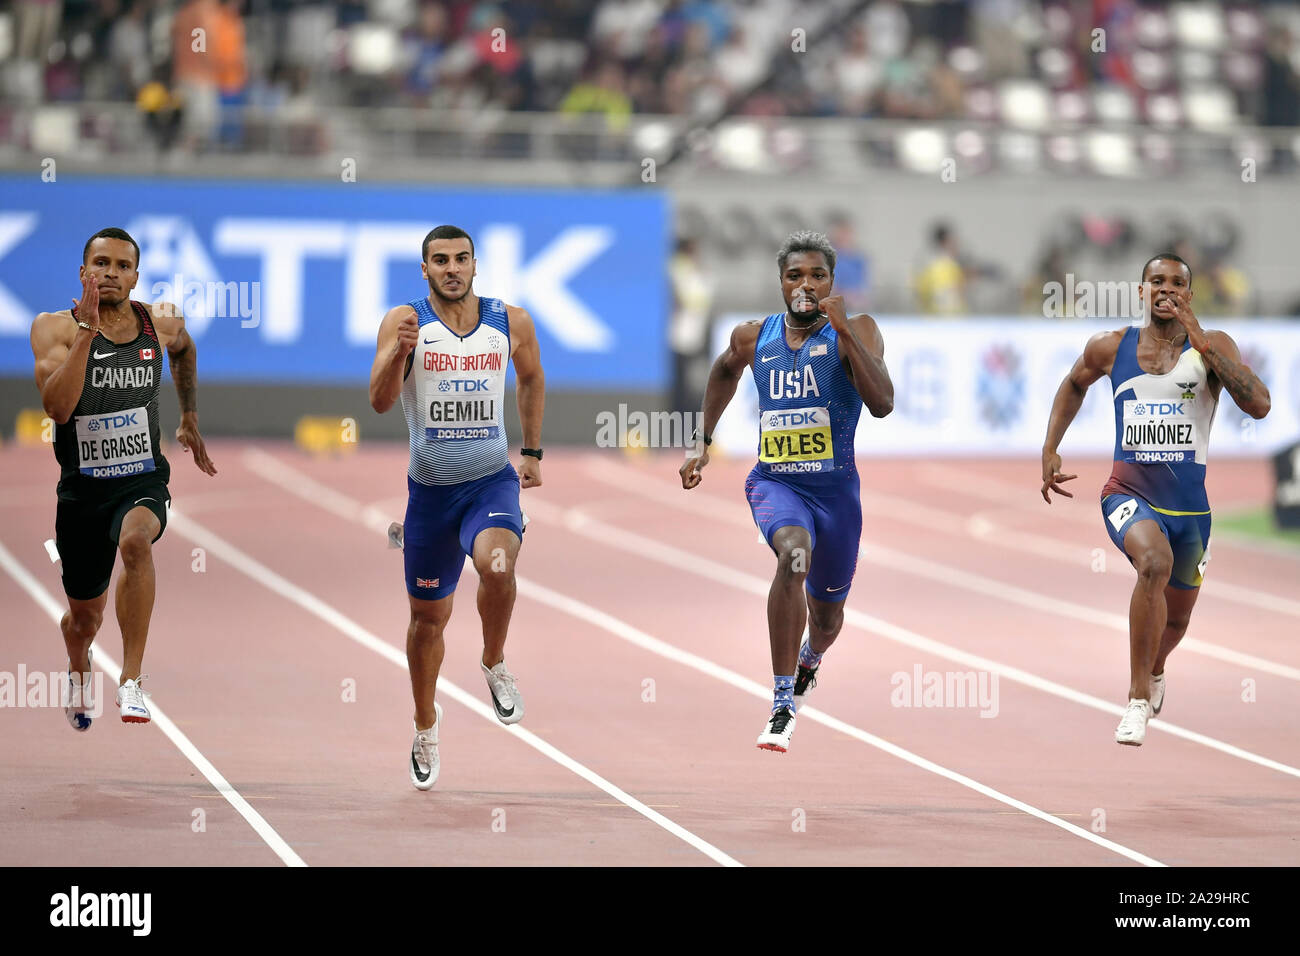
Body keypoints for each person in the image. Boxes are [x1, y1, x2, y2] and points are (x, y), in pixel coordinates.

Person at [1041, 253, 1270, 746]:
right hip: (1127, 493)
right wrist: (1051, 447)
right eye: (1157, 281)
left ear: (1190, 293)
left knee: (1179, 617)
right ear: (1141, 291)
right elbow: (1073, 384)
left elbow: (1259, 405)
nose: (1166, 290)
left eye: (1178, 283)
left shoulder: (1211, 347)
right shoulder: (1111, 346)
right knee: (1152, 563)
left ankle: (1157, 666)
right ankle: (1137, 699)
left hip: (1190, 511)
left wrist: (1203, 340)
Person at [679, 230, 894, 752]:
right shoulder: (754, 337)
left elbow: (883, 402)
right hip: (776, 482)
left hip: (837, 495)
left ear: (832, 283)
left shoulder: (858, 328)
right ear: (780, 282)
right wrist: (702, 439)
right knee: (792, 556)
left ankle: (809, 660)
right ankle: (781, 704)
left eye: (817, 275)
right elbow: (724, 370)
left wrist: (844, 333)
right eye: (795, 275)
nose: (806, 285)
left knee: (826, 618)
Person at [369, 225, 545, 790]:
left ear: (476, 264)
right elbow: (377, 402)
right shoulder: (405, 321)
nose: (452, 268)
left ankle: (494, 662)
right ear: (425, 270)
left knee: (499, 562)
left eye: (461, 259)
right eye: (439, 261)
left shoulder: (509, 321)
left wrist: (534, 452)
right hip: (430, 497)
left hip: (490, 484)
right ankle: (426, 724)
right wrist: (399, 355)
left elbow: (533, 377)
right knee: (428, 621)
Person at [29, 227, 217, 730]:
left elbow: (185, 349)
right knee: (83, 618)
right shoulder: (54, 329)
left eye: (122, 265)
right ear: (83, 272)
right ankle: (78, 663)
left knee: (137, 543)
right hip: (82, 491)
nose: (110, 272)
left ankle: (131, 679)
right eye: (101, 263)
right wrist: (88, 331)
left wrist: (189, 416)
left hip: (141, 478)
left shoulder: (160, 322)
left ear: (135, 276)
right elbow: (58, 407)